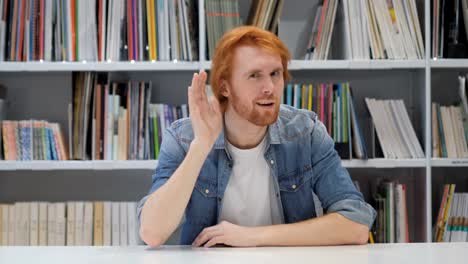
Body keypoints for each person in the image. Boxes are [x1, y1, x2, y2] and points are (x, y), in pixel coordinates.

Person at [138, 26, 376, 247]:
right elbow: (152, 233)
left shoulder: (305, 131)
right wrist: (201, 146)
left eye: (275, 74)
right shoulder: (184, 137)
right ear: (224, 87)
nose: (269, 88)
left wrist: (251, 237)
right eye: (254, 76)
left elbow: (356, 225)